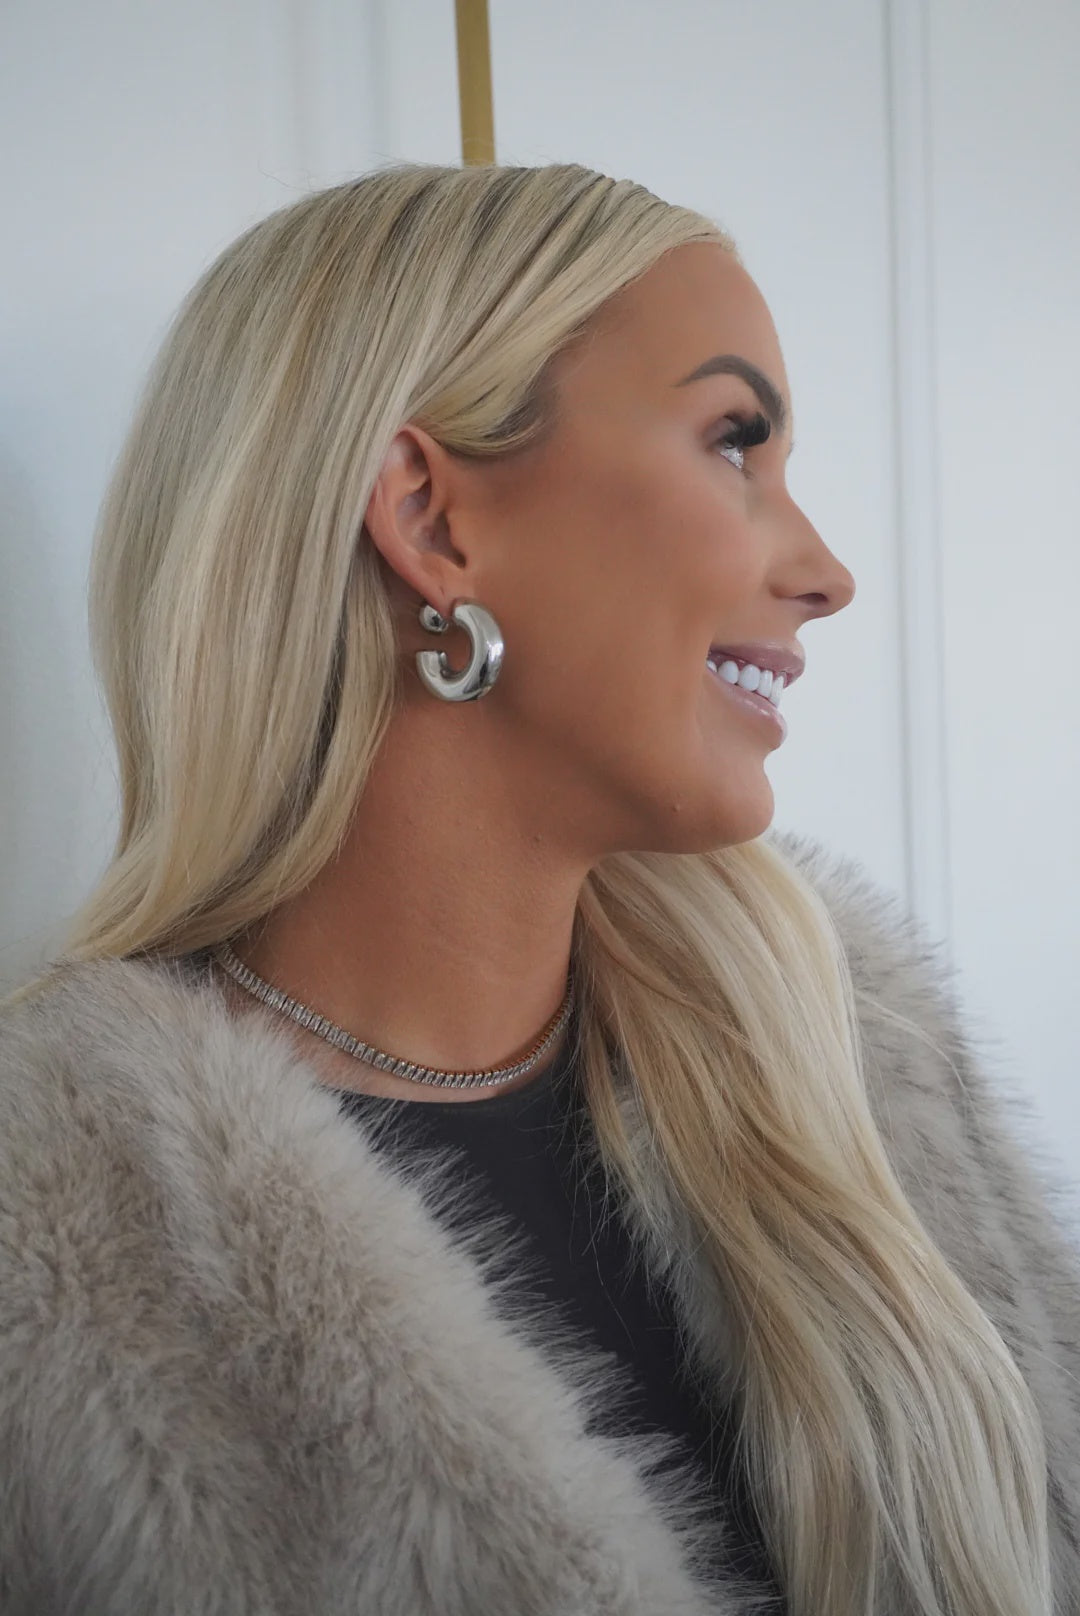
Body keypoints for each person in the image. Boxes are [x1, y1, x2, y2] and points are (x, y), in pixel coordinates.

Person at [1, 161, 1077, 1616]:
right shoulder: (59, 1230)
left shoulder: (860, 1067)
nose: (827, 572)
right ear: (432, 523)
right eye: (735, 443)